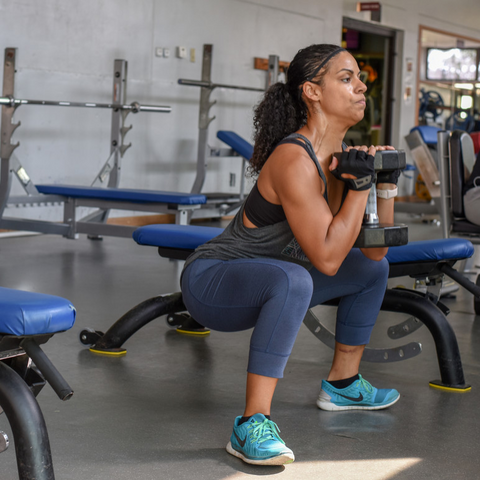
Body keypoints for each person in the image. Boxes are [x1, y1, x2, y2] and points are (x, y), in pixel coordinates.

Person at [180, 44, 401, 466]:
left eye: (360, 79)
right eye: (346, 78)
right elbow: (327, 259)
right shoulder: (293, 159)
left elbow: (374, 254)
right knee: (293, 277)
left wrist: (382, 184)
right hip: (214, 281)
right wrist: (359, 187)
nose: (360, 87)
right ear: (312, 92)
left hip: (276, 276)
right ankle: (251, 424)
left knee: (372, 270)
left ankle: (343, 382)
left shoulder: (341, 159)